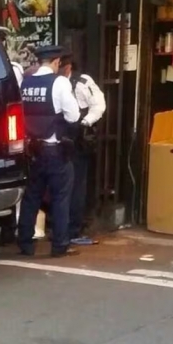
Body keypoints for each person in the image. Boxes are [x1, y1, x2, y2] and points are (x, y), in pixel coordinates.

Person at [18, 45, 81, 258]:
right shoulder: (59, 82)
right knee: (61, 197)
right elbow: (73, 116)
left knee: (31, 197)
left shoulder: (25, 82)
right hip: (55, 150)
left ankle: (25, 243)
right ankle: (60, 245)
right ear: (56, 62)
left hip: (33, 149)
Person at [59, 55, 106, 246]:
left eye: (60, 65)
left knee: (77, 184)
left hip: (77, 139)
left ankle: (72, 229)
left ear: (68, 66)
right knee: (63, 185)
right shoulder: (56, 82)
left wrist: (85, 123)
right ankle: (62, 228)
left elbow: (99, 105)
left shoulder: (82, 81)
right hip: (59, 139)